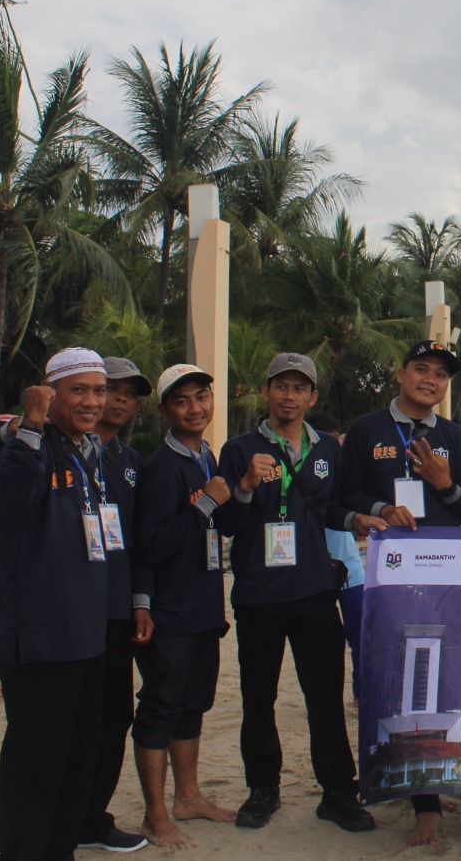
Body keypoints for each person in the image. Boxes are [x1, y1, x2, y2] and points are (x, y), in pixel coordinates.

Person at [218, 352, 381, 834]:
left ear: (312, 397)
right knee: (258, 698)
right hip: (258, 593)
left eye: (299, 388)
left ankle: (337, 794)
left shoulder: (329, 448)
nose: (289, 396)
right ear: (266, 392)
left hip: (314, 590)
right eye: (280, 386)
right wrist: (246, 484)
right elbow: (225, 520)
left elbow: (330, 510)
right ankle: (262, 790)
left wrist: (359, 519)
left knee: (325, 697)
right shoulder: (238, 448)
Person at [339, 339, 461, 847]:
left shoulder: (455, 436)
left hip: (442, 574)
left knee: (437, 677)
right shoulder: (366, 429)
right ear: (401, 375)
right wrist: (378, 508)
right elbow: (344, 495)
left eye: (441, 375)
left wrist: (445, 486)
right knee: (389, 675)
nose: (431, 380)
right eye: (422, 370)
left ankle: (428, 794)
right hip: (386, 575)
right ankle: (395, 780)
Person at [0, 348, 112, 861]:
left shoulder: (89, 451)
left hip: (85, 628)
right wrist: (32, 421)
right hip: (39, 631)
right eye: (78, 389)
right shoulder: (23, 441)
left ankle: (58, 849)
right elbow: (14, 494)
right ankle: (20, 852)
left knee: (78, 754)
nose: (91, 401)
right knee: (36, 755)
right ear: (49, 391)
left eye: (98, 391)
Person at [132, 363, 243, 847]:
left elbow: (221, 525)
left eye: (201, 397)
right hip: (170, 611)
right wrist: (206, 504)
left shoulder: (206, 458)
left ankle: (189, 795)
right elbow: (151, 544)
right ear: (165, 412)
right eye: (182, 401)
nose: (195, 408)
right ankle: (156, 814)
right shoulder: (161, 468)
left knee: (193, 705)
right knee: (161, 707)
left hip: (202, 605)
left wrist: (233, 493)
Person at [76, 356, 154, 854]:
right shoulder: (65, 454)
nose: (119, 400)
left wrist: (141, 601)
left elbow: (140, 542)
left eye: (130, 393)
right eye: (111, 389)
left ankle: (93, 819)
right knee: (72, 720)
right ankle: (64, 816)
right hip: (69, 612)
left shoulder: (129, 463)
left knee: (113, 719)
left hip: (116, 613)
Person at [315, 411, 366, 702]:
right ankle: (324, 697)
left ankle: (361, 693)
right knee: (323, 642)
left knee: (360, 634)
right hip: (314, 571)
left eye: (335, 440)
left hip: (351, 571)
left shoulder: (346, 472)